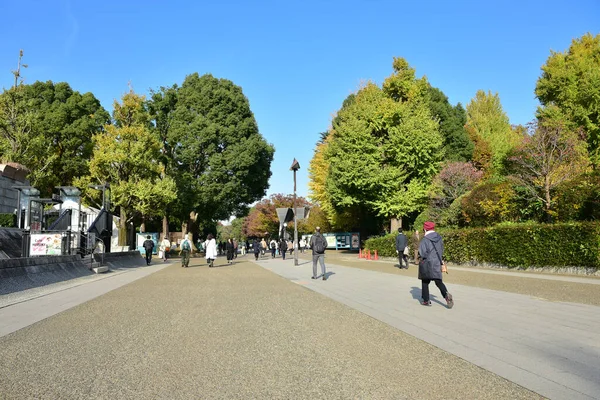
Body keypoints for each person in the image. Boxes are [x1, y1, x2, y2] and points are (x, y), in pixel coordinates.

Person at [418, 221, 453, 308]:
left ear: (425, 229)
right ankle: (446, 295)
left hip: (427, 263)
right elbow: (441, 250)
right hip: (437, 262)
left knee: (425, 281)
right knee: (438, 282)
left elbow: (422, 252)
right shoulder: (439, 238)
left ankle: (426, 300)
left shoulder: (425, 239)